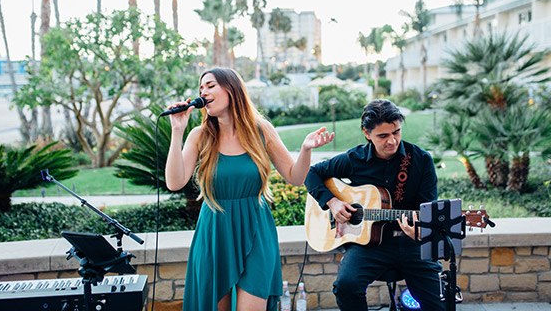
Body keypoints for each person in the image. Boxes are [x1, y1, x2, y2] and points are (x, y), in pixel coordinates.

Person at [165, 67, 333, 311]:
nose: (203, 92)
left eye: (210, 86)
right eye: (201, 88)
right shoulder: (200, 135)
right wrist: (177, 130)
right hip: (215, 232)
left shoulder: (261, 130)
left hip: (256, 228)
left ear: (231, 89)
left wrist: (306, 149)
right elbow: (174, 182)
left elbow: (296, 177)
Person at [304, 99, 444, 311]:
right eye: (383, 136)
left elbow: (428, 209)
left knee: (437, 303)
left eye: (396, 132)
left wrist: (419, 231)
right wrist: (332, 203)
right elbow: (310, 173)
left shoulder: (421, 160)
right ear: (367, 133)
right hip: (368, 246)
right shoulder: (354, 159)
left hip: (411, 243)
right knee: (345, 287)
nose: (392, 141)